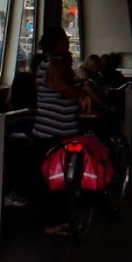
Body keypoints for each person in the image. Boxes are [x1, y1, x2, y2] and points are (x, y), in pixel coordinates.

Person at [32, 26, 92, 236]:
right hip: (55, 131)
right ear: (57, 43)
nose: (68, 42)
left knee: (57, 178)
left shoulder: (44, 65)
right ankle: (53, 222)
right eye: (65, 39)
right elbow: (62, 88)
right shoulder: (55, 65)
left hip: (49, 129)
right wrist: (82, 94)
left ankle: (58, 220)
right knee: (57, 178)